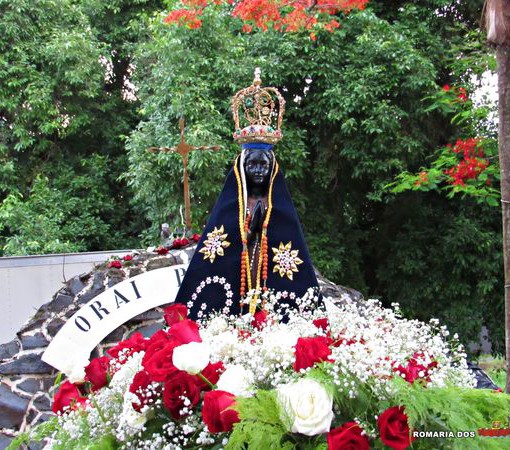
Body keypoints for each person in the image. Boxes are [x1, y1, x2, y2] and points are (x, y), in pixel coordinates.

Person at [175, 69, 320, 318]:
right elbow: (218, 246)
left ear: (272, 167)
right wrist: (248, 229)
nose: (258, 171)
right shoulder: (233, 204)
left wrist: (264, 226)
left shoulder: (277, 204)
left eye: (263, 165)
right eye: (252, 165)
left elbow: (287, 244)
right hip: (237, 276)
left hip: (267, 274)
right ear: (242, 167)